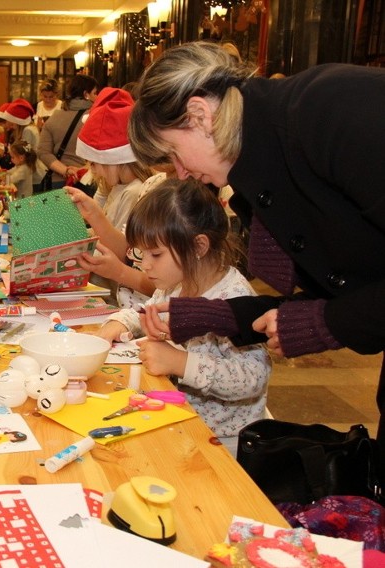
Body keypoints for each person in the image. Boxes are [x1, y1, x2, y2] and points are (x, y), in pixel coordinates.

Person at [127, 41, 385, 441]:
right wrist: (219, 317)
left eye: (175, 153)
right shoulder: (253, 173)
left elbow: (339, 303)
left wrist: (327, 323)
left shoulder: (331, 108)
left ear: (200, 115)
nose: (180, 173)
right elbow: (337, 291)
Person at [97, 179, 271, 454]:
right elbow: (146, 311)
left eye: (156, 254)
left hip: (222, 443)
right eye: (141, 254)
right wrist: (122, 321)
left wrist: (181, 362)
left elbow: (253, 377)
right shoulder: (177, 283)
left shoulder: (236, 300)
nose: (145, 265)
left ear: (199, 247)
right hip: (177, 419)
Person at [70, 87, 156, 308]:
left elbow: (123, 251)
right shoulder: (117, 188)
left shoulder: (134, 191)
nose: (94, 172)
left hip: (116, 296)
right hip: (108, 291)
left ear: (114, 160)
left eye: (96, 164)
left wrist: (92, 220)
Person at [38, 74, 98, 189]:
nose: (97, 97)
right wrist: (81, 170)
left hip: (58, 183)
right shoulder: (96, 118)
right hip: (88, 183)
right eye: (95, 93)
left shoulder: (54, 117)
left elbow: (43, 152)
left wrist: (66, 170)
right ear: (86, 95)